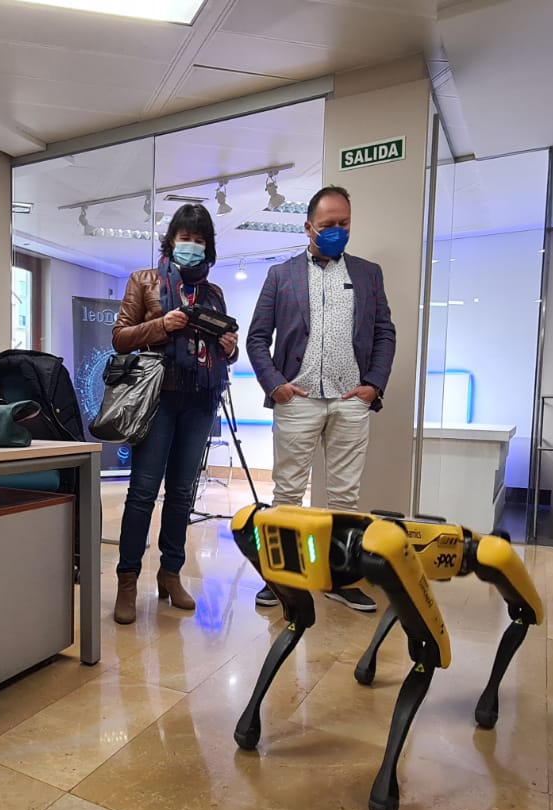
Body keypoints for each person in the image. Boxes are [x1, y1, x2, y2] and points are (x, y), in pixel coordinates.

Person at [247, 186, 396, 612]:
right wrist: (275, 385)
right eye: (328, 225)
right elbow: (258, 337)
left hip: (352, 400)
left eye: (343, 224)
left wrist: (374, 385)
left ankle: (339, 577)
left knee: (345, 495)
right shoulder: (281, 275)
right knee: (288, 492)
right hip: (299, 397)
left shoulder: (369, 273)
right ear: (309, 226)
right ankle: (281, 577)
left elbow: (385, 331)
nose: (336, 231)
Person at [111, 204, 239, 625]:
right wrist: (163, 324)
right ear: (171, 241)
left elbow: (227, 347)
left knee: (183, 494)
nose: (191, 246)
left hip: (200, 401)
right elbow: (120, 338)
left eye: (199, 240)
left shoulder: (213, 294)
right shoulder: (143, 281)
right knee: (143, 492)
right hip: (157, 399)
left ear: (208, 247)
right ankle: (127, 581)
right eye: (185, 238)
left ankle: (170, 574)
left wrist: (230, 349)